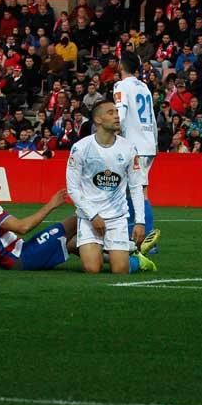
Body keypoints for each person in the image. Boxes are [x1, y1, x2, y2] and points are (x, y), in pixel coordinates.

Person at [66, 100, 157, 274]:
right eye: (110, 112)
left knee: (120, 270)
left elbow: (136, 187)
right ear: (98, 120)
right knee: (92, 269)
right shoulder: (80, 148)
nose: (116, 115)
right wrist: (92, 215)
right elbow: (73, 188)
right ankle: (79, 243)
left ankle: (137, 260)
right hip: (89, 217)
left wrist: (140, 222)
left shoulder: (128, 148)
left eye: (116, 111)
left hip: (117, 218)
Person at [0, 161, 77, 271]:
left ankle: (92, 262)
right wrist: (51, 205)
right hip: (23, 257)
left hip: (19, 256)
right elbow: (23, 227)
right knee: (77, 218)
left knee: (73, 242)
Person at [114, 51, 161, 253]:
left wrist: (114, 136)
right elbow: (151, 117)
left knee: (138, 191)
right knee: (131, 191)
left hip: (133, 145)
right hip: (148, 142)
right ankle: (131, 235)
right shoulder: (144, 87)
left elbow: (120, 114)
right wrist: (155, 142)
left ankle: (148, 241)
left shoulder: (121, 86)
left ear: (121, 66)